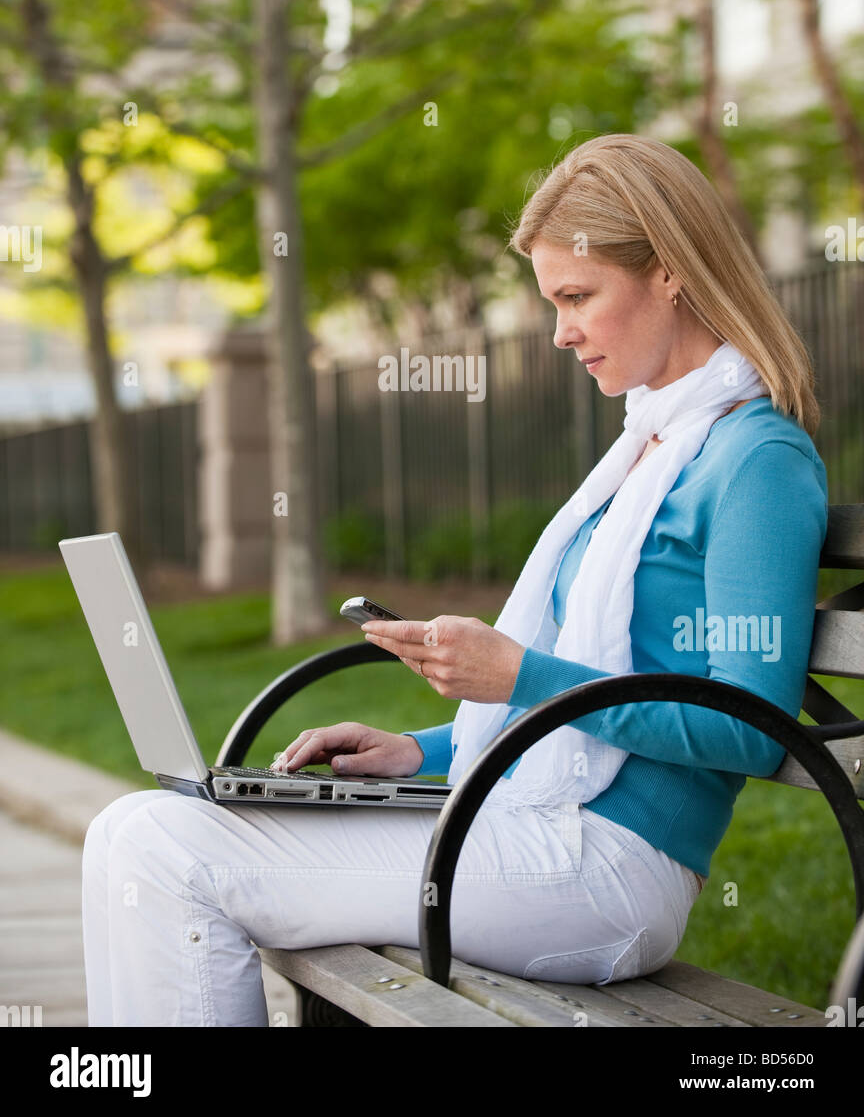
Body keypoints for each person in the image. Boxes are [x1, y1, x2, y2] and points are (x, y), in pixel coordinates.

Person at [81, 133, 828, 1026]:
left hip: (611, 871)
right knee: (127, 829)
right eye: (553, 302)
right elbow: (564, 718)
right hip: (527, 827)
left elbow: (754, 725)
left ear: (668, 271)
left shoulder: (756, 460)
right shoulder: (648, 450)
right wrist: (420, 753)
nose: (560, 331)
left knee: (167, 855)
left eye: (577, 297)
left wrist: (517, 675)